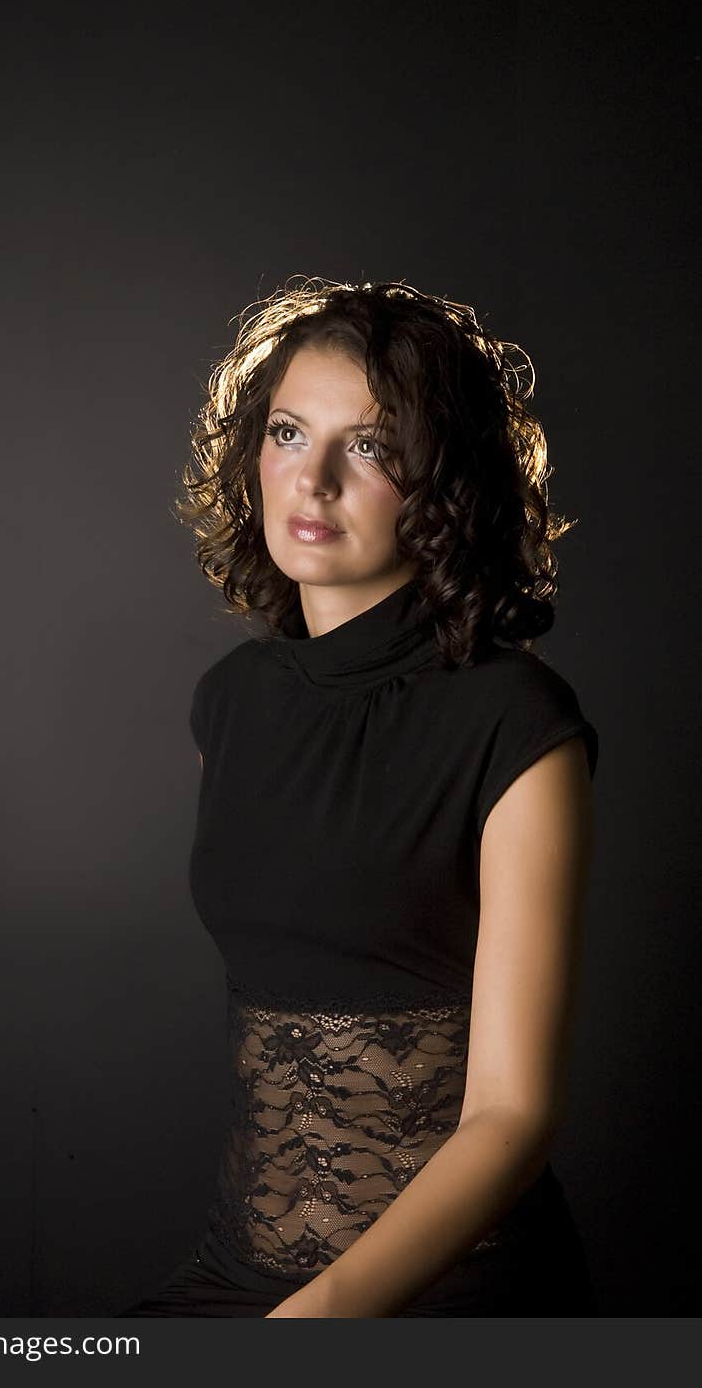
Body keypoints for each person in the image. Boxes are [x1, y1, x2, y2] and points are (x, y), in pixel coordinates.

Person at [116, 276, 600, 1317]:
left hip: (445, 1288)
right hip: (238, 1272)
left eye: (371, 447)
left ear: (443, 484)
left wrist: (324, 1317)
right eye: (289, 432)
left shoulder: (516, 721)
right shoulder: (228, 706)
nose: (315, 478)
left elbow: (513, 1116)